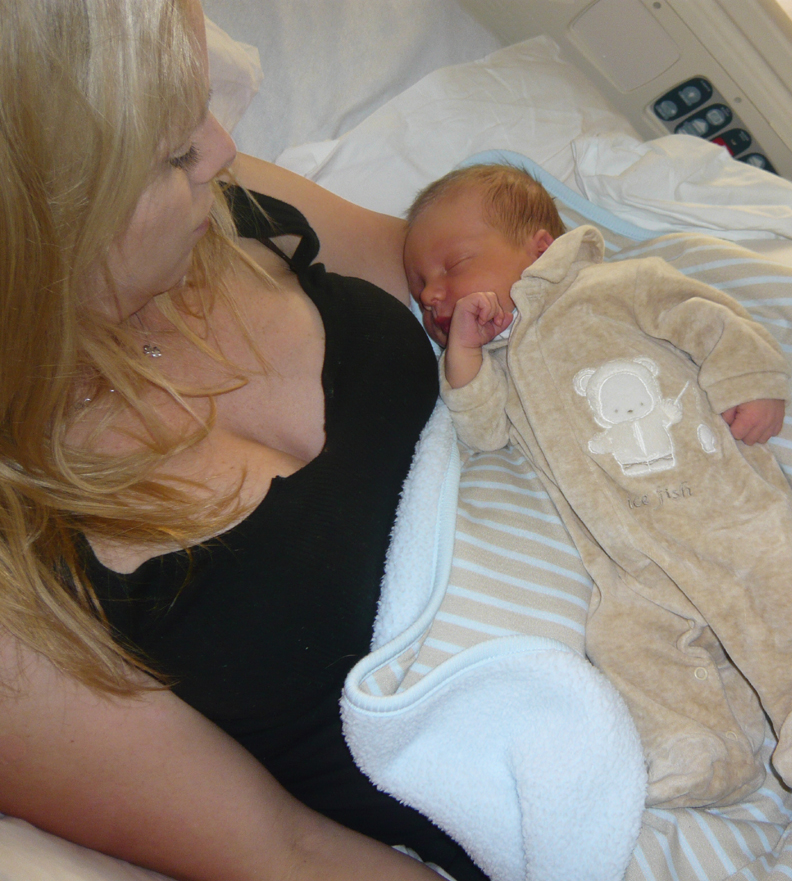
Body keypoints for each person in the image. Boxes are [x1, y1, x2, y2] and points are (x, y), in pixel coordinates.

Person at [0, 1, 487, 879]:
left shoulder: (234, 209)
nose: (221, 148)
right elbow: (290, 852)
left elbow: (507, 290)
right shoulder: (19, 577)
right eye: (168, 151)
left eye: (197, 102)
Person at [403, 164, 792, 808]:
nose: (433, 293)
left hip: (719, 508)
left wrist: (751, 379)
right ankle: (701, 747)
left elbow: (708, 318)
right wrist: (462, 352)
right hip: (625, 561)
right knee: (625, 643)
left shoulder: (616, 287)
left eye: (453, 265)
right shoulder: (496, 365)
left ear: (540, 249)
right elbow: (482, 432)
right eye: (420, 288)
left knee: (777, 582)